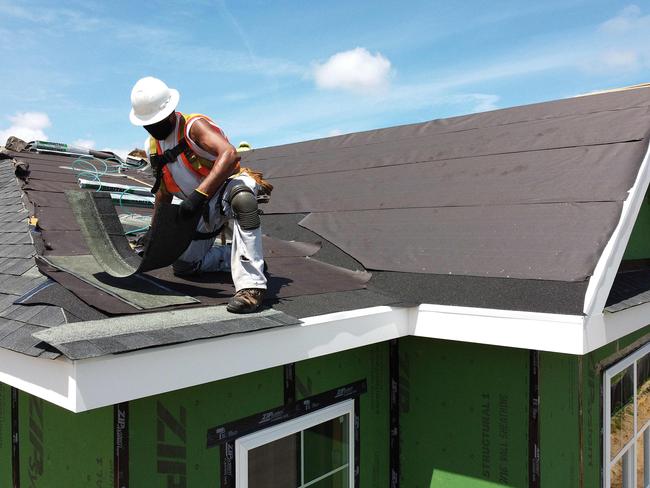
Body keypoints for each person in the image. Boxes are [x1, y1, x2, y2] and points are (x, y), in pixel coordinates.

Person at [129, 76, 268, 314]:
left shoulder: (194, 126)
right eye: (148, 124)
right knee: (185, 266)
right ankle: (229, 256)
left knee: (243, 199)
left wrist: (200, 194)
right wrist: (154, 232)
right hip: (201, 206)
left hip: (225, 188)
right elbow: (163, 193)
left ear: (171, 111)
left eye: (158, 122)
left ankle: (251, 287)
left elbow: (229, 154)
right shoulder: (153, 145)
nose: (154, 128)